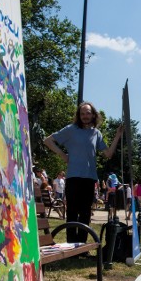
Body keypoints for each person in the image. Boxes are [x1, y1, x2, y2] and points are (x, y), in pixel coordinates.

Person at [44, 102, 122, 243]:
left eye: (88, 113)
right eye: (82, 113)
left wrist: (117, 136)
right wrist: (63, 155)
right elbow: (48, 140)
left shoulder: (96, 133)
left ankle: (82, 245)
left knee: (85, 212)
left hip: (90, 178)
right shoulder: (71, 129)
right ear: (79, 116)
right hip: (73, 177)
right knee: (72, 211)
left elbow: (108, 154)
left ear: (93, 115)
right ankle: (71, 244)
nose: (85, 116)